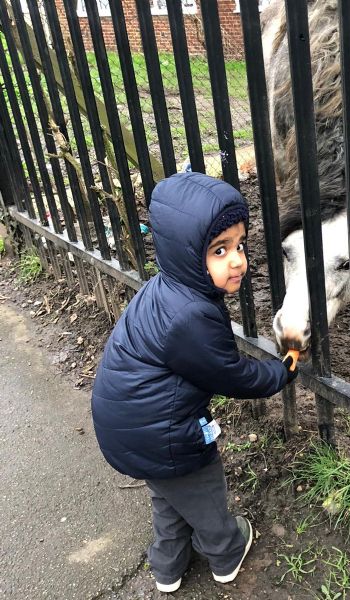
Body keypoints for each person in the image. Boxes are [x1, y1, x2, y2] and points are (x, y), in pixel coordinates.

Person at [91, 172, 297, 593]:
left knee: (166, 493)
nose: (238, 260)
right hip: (164, 436)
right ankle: (225, 553)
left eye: (239, 245)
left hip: (127, 428)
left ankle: (167, 565)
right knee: (202, 488)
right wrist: (282, 371)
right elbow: (233, 374)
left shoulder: (165, 289)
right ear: (186, 254)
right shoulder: (191, 317)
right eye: (219, 250)